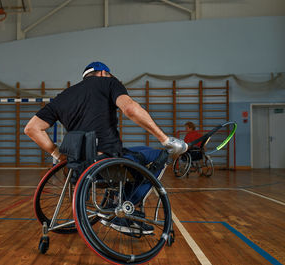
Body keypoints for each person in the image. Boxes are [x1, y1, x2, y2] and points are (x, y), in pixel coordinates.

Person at [25, 61, 187, 235]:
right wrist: (165, 139)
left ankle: (113, 202)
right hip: (108, 163)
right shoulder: (108, 83)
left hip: (79, 167)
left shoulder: (64, 96)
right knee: (160, 156)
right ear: (103, 73)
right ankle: (126, 210)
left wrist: (59, 155)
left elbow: (31, 129)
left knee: (142, 151)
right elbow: (131, 109)